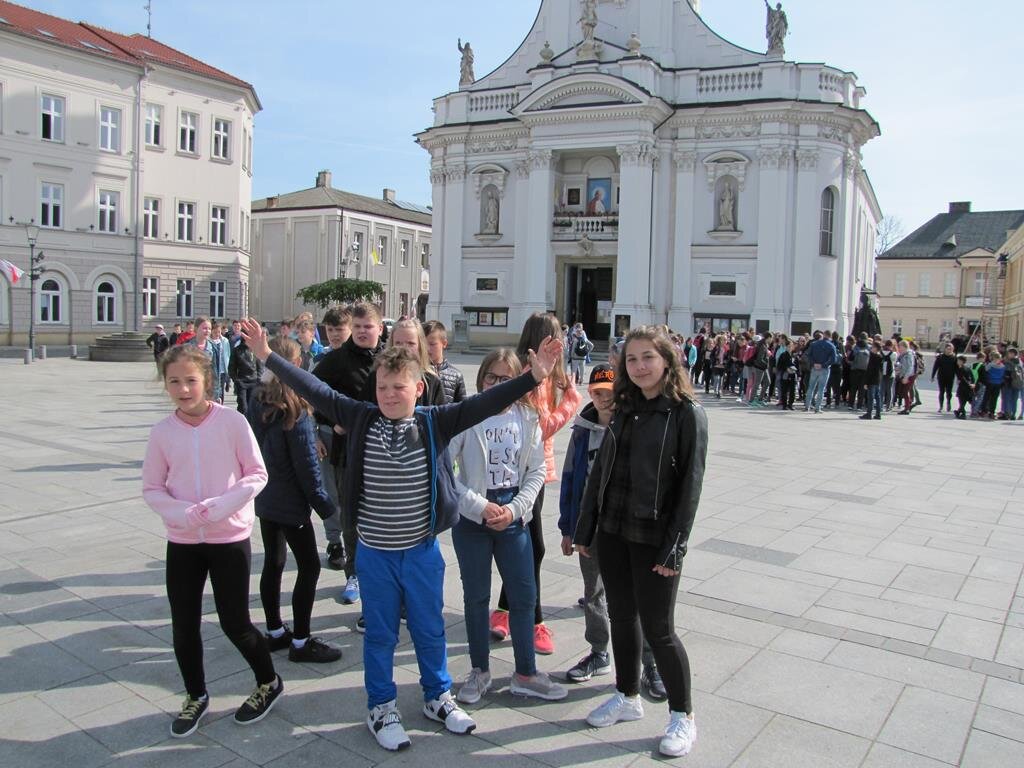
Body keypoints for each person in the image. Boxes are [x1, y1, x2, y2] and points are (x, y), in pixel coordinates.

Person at [238, 318, 563, 751]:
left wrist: (533, 377)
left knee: (430, 630)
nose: (390, 395)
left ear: (419, 388)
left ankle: (437, 696)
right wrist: (267, 356)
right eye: (383, 387)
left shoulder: (435, 421)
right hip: (376, 554)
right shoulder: (361, 417)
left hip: (422, 553)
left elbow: (485, 403)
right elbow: (316, 390)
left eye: (399, 387)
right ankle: (381, 706)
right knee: (381, 635)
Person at [573, 325, 707, 758]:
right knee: (621, 616)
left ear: (667, 360)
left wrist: (675, 547)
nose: (640, 366)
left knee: (660, 629)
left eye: (648, 357)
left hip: (654, 535)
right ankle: (627, 695)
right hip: (614, 529)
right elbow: (600, 471)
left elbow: (690, 487)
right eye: (632, 359)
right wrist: (586, 527)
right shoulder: (625, 406)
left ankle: (683, 715)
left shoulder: (686, 413)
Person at [142, 345, 279, 739]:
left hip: (228, 537)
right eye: (174, 381)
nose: (183, 389)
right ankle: (196, 695)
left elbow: (256, 474)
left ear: (206, 380)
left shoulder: (232, 422)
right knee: (183, 624)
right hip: (183, 540)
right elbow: (152, 488)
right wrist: (182, 513)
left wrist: (222, 506)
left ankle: (268, 682)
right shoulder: (162, 432)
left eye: (191, 380)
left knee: (235, 623)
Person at [448, 350, 567, 704]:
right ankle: (479, 670)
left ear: (519, 382)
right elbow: (447, 472)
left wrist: (515, 509)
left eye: (506, 379)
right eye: (491, 377)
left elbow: (535, 471)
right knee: (476, 597)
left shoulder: (528, 416)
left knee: (524, 594)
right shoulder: (466, 415)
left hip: (514, 516)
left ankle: (526, 673)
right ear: (481, 379)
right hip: (473, 518)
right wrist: (479, 506)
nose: (498, 385)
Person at [559, 364, 667, 699]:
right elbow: (570, 479)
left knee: (637, 595)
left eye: (609, 392)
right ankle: (599, 651)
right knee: (593, 591)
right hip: (590, 526)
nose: (604, 399)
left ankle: (650, 663)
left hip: (626, 525)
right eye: (597, 393)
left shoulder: (633, 425)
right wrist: (568, 527)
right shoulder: (582, 430)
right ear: (590, 394)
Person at [491, 313, 582, 656]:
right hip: (522, 471)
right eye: (557, 339)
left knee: (526, 545)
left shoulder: (540, 374)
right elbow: (539, 429)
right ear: (545, 341)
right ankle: (533, 620)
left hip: (534, 470)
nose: (562, 345)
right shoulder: (530, 375)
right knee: (533, 547)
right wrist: (571, 402)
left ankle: (504, 610)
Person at [248, 337, 342, 664]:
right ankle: (301, 641)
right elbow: (307, 468)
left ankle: (274, 630)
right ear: (297, 365)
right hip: (290, 502)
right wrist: (326, 507)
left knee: (273, 562)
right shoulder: (295, 409)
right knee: (309, 566)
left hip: (266, 497)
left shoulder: (257, 399)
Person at [310, 302, 384, 599]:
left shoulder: (388, 357)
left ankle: (381, 572)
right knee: (350, 515)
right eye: (357, 327)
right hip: (347, 451)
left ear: (380, 328)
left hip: (382, 450)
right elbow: (312, 392)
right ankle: (353, 573)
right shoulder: (337, 359)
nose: (363, 332)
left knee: (379, 514)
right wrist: (332, 421)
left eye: (368, 326)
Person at [369, 318, 445, 407]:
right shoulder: (377, 376)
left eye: (410, 343)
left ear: (420, 346)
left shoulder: (432, 381)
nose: (404, 348)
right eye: (398, 343)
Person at [423, 320, 467, 404]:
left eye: (432, 344)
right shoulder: (416, 372)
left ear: (444, 343)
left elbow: (462, 408)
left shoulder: (456, 375)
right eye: (423, 344)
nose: (427, 349)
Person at [188, 317, 225, 403]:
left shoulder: (213, 347)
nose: (207, 331)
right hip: (192, 387)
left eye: (209, 329)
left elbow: (216, 371)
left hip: (208, 388)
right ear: (196, 329)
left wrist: (217, 393)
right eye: (204, 328)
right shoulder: (187, 346)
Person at [229, 334, 262, 415]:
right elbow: (231, 368)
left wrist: (258, 379)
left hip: (254, 381)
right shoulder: (237, 350)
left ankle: (250, 422)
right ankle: (241, 421)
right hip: (242, 381)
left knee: (252, 406)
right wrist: (236, 380)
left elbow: (259, 366)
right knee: (243, 406)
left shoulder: (255, 349)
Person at [860, 341, 883, 420]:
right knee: (877, 397)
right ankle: (878, 414)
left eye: (872, 347)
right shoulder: (880, 356)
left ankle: (869, 413)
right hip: (878, 379)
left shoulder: (873, 357)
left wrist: (866, 382)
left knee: (871, 397)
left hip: (871, 379)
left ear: (875, 348)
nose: (871, 348)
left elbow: (870, 370)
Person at [932, 342, 957, 413]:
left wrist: (959, 378)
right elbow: (935, 367)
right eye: (948, 349)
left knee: (949, 392)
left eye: (951, 349)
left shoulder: (954, 358)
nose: (949, 350)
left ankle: (948, 402)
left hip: (950, 377)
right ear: (945, 349)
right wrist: (932, 376)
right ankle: (941, 406)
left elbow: (957, 369)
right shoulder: (940, 357)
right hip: (941, 377)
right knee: (941, 391)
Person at [999, 347, 1023, 420]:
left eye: (1010, 353)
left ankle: (1007, 414)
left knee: (1007, 399)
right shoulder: (1019, 362)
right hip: (1017, 383)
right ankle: (1013, 414)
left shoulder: (1007, 362)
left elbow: (1005, 372)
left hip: (1008, 383)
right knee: (1014, 399)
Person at [895, 340, 917, 415]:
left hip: (910, 375)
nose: (899, 348)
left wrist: (906, 377)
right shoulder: (902, 354)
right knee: (901, 392)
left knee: (905, 392)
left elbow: (910, 367)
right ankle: (909, 405)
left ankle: (907, 408)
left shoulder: (909, 354)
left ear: (904, 346)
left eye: (900, 346)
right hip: (903, 375)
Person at [983, 352, 1007, 419]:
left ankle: (984, 410)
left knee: (987, 397)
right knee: (994, 398)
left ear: (993, 358)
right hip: (998, 383)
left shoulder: (990, 365)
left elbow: (985, 370)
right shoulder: (1003, 366)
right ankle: (992, 412)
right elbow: (1003, 375)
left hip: (990, 382)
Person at [954, 355, 976, 420]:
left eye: (959, 360)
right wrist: (972, 384)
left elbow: (962, 378)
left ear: (962, 361)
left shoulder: (959, 369)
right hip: (968, 387)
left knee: (961, 401)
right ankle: (958, 412)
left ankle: (963, 414)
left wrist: (968, 384)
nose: (957, 362)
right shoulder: (968, 368)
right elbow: (972, 377)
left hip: (963, 387)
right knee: (963, 401)